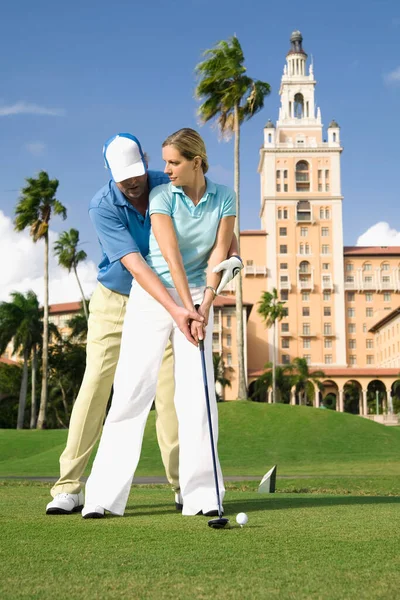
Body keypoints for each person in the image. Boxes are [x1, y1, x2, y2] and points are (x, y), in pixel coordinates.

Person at [46, 132, 243, 515]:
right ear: (111, 174)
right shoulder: (110, 204)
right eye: (124, 176)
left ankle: (197, 494)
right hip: (129, 295)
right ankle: (84, 491)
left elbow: (223, 245)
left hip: (194, 297)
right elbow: (154, 259)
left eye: (140, 170)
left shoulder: (165, 180)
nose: (135, 180)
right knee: (118, 391)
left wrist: (203, 304)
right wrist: (184, 309)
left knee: (188, 398)